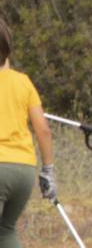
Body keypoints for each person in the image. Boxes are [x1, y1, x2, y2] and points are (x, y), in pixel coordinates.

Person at [0, 18, 56, 248]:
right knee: (5, 231)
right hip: (24, 171)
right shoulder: (23, 82)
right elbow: (43, 130)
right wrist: (49, 172)